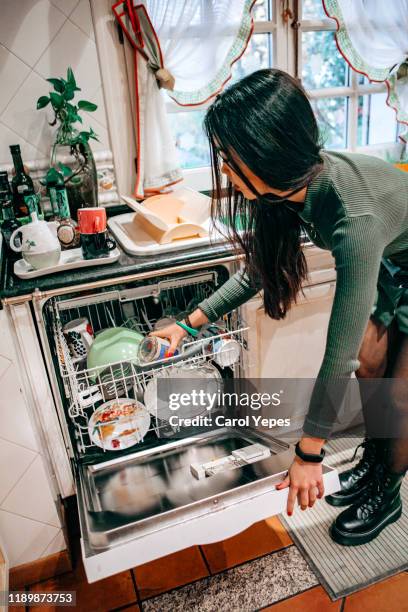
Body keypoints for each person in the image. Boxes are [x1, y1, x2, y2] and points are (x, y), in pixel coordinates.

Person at [151, 69, 408, 546]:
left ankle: (388, 492)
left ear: (266, 156)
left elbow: (339, 351)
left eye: (230, 159)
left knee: (400, 396)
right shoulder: (286, 191)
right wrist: (187, 325)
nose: (225, 170)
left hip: (394, 253)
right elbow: (258, 271)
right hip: (396, 262)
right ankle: (376, 462)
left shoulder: (354, 218)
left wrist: (309, 453)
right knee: (372, 370)